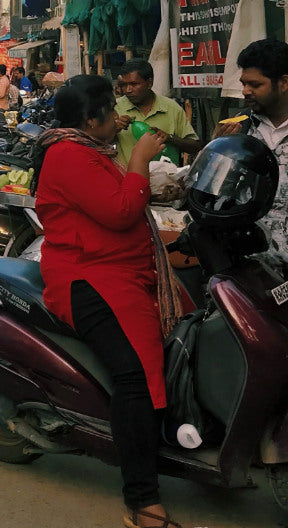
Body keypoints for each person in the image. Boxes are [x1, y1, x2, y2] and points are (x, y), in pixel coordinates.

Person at [35, 75, 179, 528]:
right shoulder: (66, 154)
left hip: (117, 271)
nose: (118, 118)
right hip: (88, 278)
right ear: (90, 119)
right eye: (110, 112)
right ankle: (142, 501)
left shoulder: (88, 149)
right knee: (134, 377)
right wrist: (138, 159)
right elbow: (119, 212)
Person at [233, 38, 288, 257]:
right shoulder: (240, 127)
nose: (245, 91)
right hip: (251, 268)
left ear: (284, 83)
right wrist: (219, 148)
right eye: (243, 84)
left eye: (255, 85)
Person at [114, 59, 201, 168]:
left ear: (149, 83)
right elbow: (95, 144)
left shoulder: (171, 108)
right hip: (128, 181)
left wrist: (169, 138)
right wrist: (114, 128)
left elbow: (195, 146)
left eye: (134, 84)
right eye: (124, 85)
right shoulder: (115, 108)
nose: (128, 90)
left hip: (165, 181)